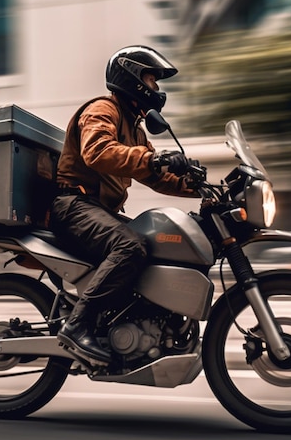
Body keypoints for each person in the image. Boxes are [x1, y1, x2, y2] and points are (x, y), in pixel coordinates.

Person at [50, 45, 200, 363]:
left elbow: (156, 177)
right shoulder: (102, 109)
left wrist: (202, 188)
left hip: (99, 211)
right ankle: (78, 325)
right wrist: (155, 158)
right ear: (131, 78)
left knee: (156, 243)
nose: (156, 89)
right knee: (131, 247)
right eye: (151, 79)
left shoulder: (134, 127)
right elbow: (98, 151)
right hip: (74, 205)